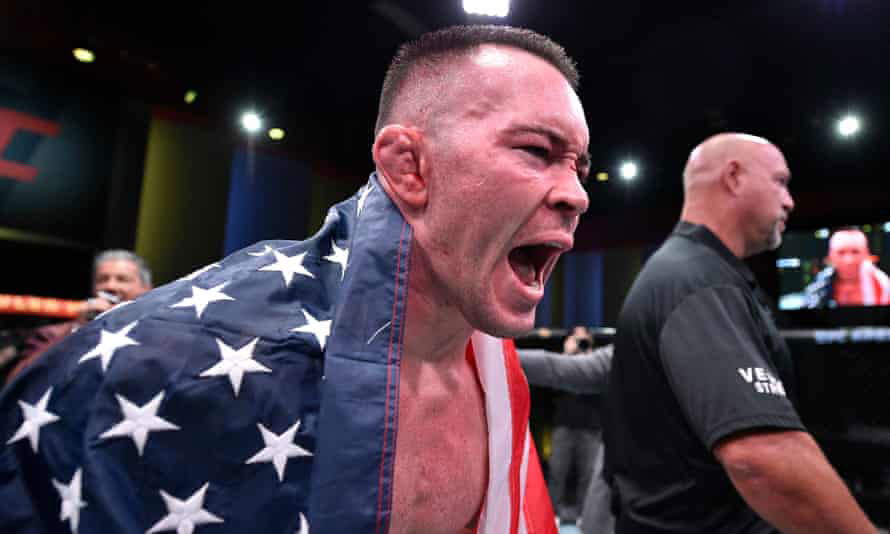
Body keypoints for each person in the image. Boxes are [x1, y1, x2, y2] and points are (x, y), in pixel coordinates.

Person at [0, 25, 590, 534]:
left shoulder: (493, 371)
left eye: (580, 167)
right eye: (536, 150)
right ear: (409, 167)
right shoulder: (169, 364)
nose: (577, 195)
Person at [603, 133, 877, 533]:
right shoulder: (697, 280)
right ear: (733, 177)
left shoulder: (694, 272)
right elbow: (760, 456)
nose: (790, 201)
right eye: (780, 182)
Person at [4, 249, 152, 384]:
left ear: (146, 289)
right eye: (102, 279)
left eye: (122, 279)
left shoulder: (156, 333)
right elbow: (18, 382)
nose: (110, 286)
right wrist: (77, 330)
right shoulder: (52, 334)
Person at [518, 327, 615, 533]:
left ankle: (582, 516)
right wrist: (568, 355)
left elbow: (598, 385)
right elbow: (555, 375)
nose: (581, 342)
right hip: (563, 425)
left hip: (592, 428)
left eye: (584, 339)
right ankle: (551, 515)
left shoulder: (606, 363)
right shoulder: (570, 360)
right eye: (576, 338)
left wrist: (587, 357)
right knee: (557, 472)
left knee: (588, 476)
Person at [803, 228, 890, 308]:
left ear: (866, 254)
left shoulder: (883, 285)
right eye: (841, 252)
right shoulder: (818, 288)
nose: (849, 260)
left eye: (855, 252)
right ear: (830, 257)